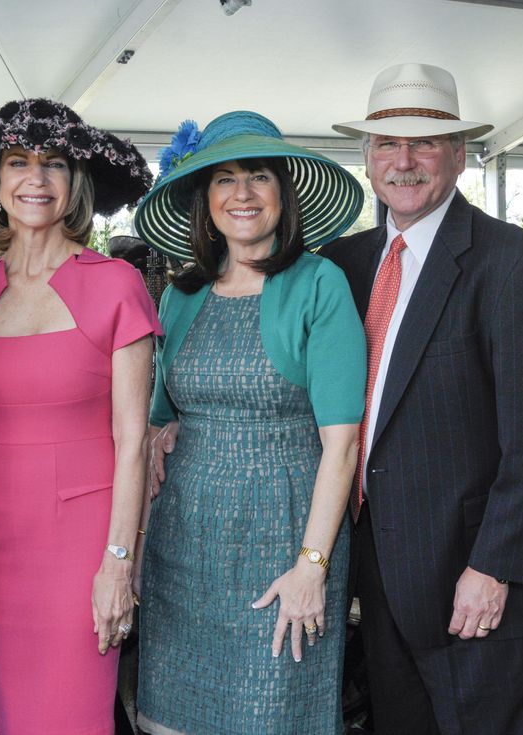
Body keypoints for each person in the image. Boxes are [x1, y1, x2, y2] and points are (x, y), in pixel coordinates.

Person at [319, 62, 523, 735]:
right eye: (386, 144)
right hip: (375, 567)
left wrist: (494, 563)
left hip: (470, 571)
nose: (403, 161)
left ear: (461, 155)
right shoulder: (343, 262)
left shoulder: (515, 262)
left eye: (426, 142)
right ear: (366, 156)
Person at [0, 98, 160, 735]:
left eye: (54, 164)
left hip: (84, 546)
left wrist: (118, 562)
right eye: (19, 163)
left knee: (73, 716)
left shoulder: (115, 283)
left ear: (74, 183)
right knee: (1, 716)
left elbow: (132, 441)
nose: (37, 179)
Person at [132, 111, 367, 734]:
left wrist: (312, 566)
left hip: (285, 545)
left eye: (258, 176)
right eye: (224, 179)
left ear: (282, 193)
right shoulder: (180, 296)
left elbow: (341, 447)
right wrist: (164, 437)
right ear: (204, 201)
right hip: (183, 551)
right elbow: (160, 421)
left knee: (274, 714)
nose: (241, 194)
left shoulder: (320, 283)